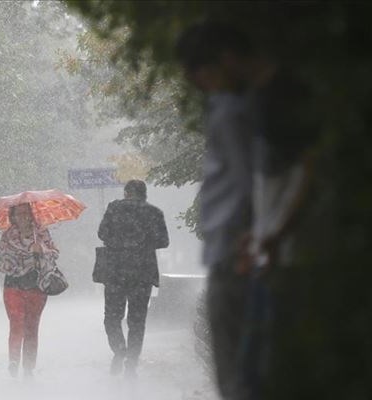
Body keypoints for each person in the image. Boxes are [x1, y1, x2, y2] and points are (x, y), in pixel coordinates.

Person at [176, 22, 318, 400]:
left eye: (201, 76)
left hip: (244, 256)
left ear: (225, 59)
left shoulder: (243, 107)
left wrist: (266, 235)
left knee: (243, 378)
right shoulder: (249, 102)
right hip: (251, 252)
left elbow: (274, 175)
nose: (202, 88)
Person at [97, 179, 169, 378]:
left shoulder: (114, 208)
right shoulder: (154, 212)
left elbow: (102, 233)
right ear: (144, 193)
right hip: (142, 273)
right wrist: (142, 242)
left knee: (112, 317)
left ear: (127, 192)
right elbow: (164, 241)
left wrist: (119, 242)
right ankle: (132, 361)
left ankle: (120, 349)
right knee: (137, 321)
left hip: (115, 273)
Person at [0, 203, 59, 378]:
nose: (23, 217)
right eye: (19, 213)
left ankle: (28, 367)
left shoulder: (41, 233)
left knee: (31, 327)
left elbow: (54, 253)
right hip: (13, 285)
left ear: (32, 215)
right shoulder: (7, 236)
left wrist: (41, 249)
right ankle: (13, 360)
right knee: (16, 322)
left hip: (36, 286)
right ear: (13, 216)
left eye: (26, 213)